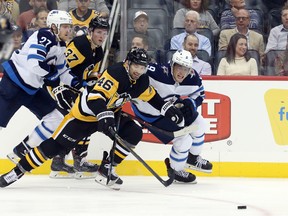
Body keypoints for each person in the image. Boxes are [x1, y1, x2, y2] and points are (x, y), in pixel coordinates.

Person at [0, 47, 184, 188]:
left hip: (109, 113)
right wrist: (104, 116)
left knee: (134, 132)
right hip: (84, 116)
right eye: (136, 66)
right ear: (127, 63)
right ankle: (17, 171)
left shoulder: (142, 79)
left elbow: (151, 96)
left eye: (142, 67)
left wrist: (167, 108)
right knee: (53, 146)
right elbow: (96, 98)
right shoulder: (116, 72)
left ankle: (106, 169)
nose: (139, 70)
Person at [1, 10, 82, 173]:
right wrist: (51, 74)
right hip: (13, 85)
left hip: (31, 89)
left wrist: (82, 85)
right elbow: (34, 63)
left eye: (69, 26)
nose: (69, 30)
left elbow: (63, 72)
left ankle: (22, 150)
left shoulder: (60, 45)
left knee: (57, 118)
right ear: (54, 26)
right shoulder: (45, 35)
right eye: (65, 26)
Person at [122, 49, 212, 184]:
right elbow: (127, 68)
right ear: (172, 65)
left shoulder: (192, 77)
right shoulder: (157, 72)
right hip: (149, 113)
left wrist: (190, 103)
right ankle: (176, 170)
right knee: (184, 139)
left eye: (186, 68)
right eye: (179, 67)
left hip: (170, 109)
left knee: (200, 125)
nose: (182, 72)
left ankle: (192, 158)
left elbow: (200, 93)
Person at [49, 15, 110, 179]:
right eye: (99, 32)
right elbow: (59, 67)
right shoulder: (80, 44)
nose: (102, 36)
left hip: (74, 89)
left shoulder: (98, 50)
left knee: (86, 120)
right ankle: (65, 159)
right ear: (90, 31)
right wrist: (58, 89)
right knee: (80, 122)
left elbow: (90, 75)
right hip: (61, 88)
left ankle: (69, 158)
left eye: (105, 33)